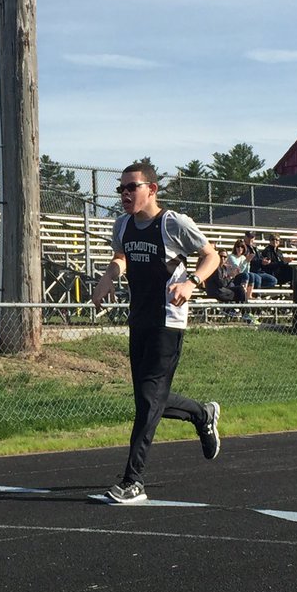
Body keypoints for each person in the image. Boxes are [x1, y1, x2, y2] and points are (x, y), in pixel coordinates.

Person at [92, 162, 222, 504]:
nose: (124, 194)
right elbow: (122, 256)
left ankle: (132, 481)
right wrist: (109, 277)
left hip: (168, 321)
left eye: (131, 187)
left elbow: (212, 256)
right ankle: (201, 413)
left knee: (149, 400)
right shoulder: (122, 225)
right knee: (149, 401)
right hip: (140, 320)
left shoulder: (172, 223)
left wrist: (192, 283)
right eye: (121, 188)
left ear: (152, 189)